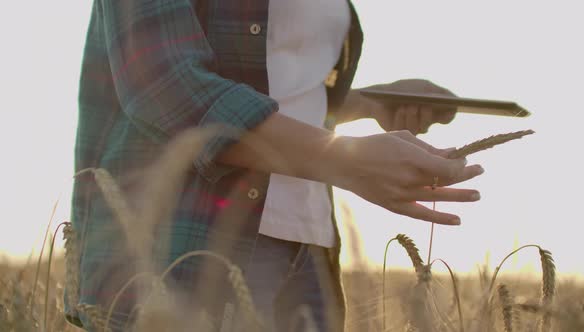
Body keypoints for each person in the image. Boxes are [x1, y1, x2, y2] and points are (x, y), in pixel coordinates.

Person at [67, 0, 484, 331]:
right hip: (191, 245)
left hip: (309, 248)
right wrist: (346, 162)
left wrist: (369, 102)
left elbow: (281, 86)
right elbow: (165, 83)